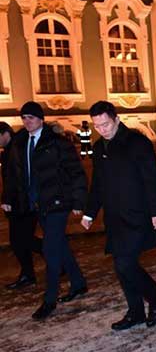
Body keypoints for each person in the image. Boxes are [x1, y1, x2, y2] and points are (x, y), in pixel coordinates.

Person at [81, 101, 156, 330]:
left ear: (116, 119)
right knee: (122, 267)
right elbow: (98, 183)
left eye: (106, 124)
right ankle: (136, 311)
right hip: (114, 218)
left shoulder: (137, 143)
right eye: (97, 126)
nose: (103, 129)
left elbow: (152, 178)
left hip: (138, 215)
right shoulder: (99, 147)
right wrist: (90, 213)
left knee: (125, 264)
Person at [3, 102, 88, 320]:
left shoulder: (57, 143)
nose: (27, 121)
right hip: (36, 205)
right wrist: (8, 198)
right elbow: (14, 176)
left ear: (41, 119)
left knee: (51, 251)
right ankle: (78, 283)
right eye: (24, 118)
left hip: (57, 204)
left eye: (31, 117)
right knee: (59, 245)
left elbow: (76, 172)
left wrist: (79, 201)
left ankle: (49, 300)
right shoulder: (20, 143)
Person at [1, 122, 43, 290]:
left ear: (5, 133)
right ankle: (29, 273)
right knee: (21, 240)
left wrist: (7, 199)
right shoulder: (11, 150)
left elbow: (15, 179)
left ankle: (29, 274)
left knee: (22, 240)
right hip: (19, 202)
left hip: (22, 203)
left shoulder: (15, 149)